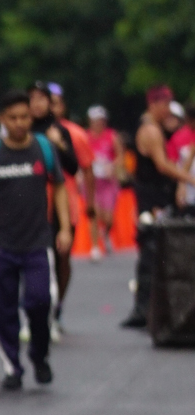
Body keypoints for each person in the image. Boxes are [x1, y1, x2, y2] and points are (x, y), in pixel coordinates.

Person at [0, 89, 72, 389]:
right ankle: (13, 366)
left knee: (40, 301)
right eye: (13, 118)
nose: (19, 123)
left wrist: (64, 227)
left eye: (25, 117)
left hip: (38, 242)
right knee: (4, 309)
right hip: (2, 243)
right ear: (2, 119)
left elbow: (60, 186)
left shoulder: (44, 148)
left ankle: (39, 355)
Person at [121, 85, 195, 328]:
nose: (168, 111)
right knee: (152, 253)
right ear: (154, 104)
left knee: (154, 252)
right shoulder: (151, 131)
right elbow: (162, 166)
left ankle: (147, 308)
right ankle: (143, 309)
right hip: (152, 198)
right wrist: (189, 179)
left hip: (152, 196)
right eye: (165, 105)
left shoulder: (152, 127)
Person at [32, 82, 90, 339]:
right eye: (32, 99)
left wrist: (59, 144)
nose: (38, 105)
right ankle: (35, 312)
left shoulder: (62, 131)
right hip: (32, 203)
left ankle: (57, 308)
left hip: (62, 202)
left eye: (43, 99)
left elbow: (75, 167)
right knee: (37, 260)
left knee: (61, 258)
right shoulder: (22, 132)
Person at [87, 105, 124, 252]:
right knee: (94, 213)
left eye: (101, 120)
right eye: (95, 121)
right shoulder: (85, 137)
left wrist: (112, 167)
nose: (98, 124)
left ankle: (106, 233)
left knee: (108, 217)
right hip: (92, 181)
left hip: (108, 181)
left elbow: (120, 156)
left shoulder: (111, 136)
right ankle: (95, 246)